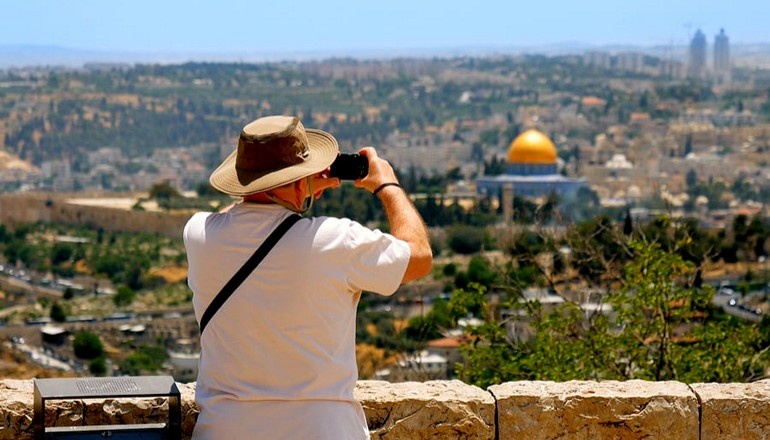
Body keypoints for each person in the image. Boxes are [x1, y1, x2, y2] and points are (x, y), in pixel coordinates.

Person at [183, 115, 432, 439]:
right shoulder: (335, 241)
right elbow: (419, 257)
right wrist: (388, 186)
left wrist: (291, 186)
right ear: (302, 179)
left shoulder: (199, 234)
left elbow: (244, 215)